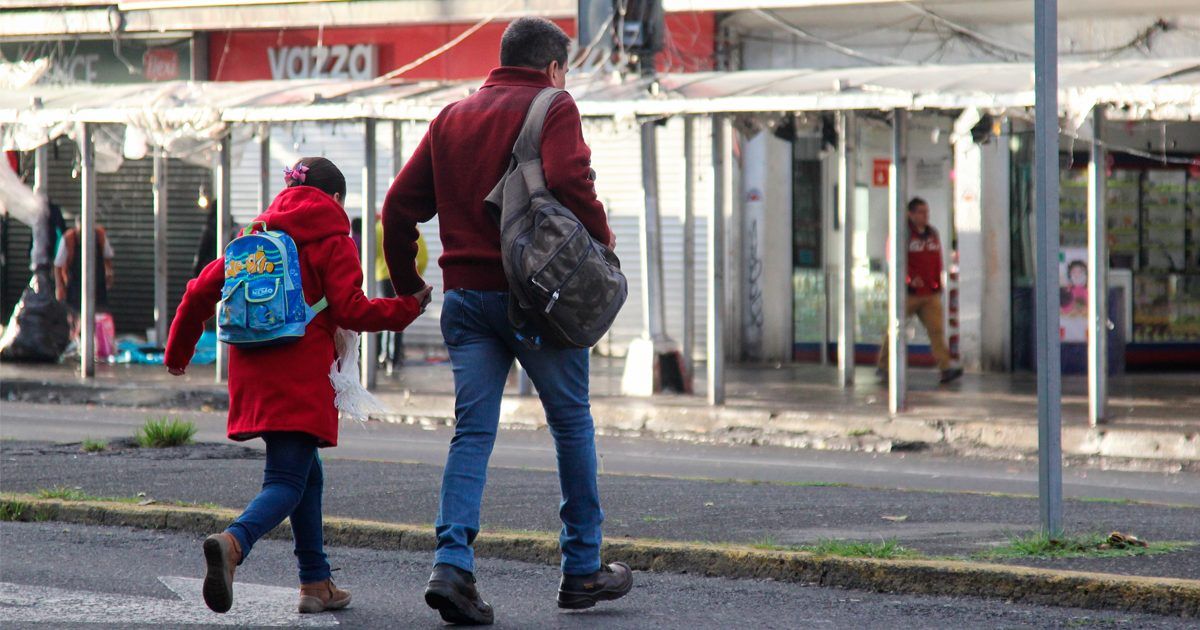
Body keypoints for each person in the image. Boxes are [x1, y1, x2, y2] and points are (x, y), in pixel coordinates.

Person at [382, 17, 628, 625]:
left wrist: (410, 284)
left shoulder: (451, 116)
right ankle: (581, 570)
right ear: (552, 68)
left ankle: (452, 565)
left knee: (473, 432)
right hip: (537, 298)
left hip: (466, 301)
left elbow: (397, 207)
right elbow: (570, 178)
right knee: (571, 425)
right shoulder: (554, 105)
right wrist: (602, 239)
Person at [165, 157, 430, 615]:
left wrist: (177, 355)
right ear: (337, 199)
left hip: (253, 372)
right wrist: (407, 307)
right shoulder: (333, 239)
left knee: (307, 473)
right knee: (286, 480)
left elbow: (197, 292)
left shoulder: (254, 239)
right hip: (302, 374)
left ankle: (315, 583)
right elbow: (352, 311)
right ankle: (233, 542)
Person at [877, 197, 963, 384]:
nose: (926, 216)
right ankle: (884, 366)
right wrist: (908, 279)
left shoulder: (932, 234)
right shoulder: (901, 233)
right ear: (911, 214)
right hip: (908, 294)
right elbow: (894, 261)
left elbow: (936, 259)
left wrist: (937, 283)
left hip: (930, 293)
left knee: (936, 331)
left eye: (927, 212)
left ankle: (945, 367)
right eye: (921, 212)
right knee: (896, 328)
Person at [375, 219, 427, 371]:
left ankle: (382, 355)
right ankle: (394, 359)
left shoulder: (377, 227)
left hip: (381, 277)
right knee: (400, 314)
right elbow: (423, 257)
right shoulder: (409, 226)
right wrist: (416, 278)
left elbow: (371, 253)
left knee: (384, 313)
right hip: (401, 277)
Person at [54, 218, 114, 329]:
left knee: (99, 317)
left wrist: (109, 274)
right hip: (75, 286)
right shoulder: (69, 239)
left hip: (98, 285)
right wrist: (59, 286)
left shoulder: (100, 235)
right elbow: (58, 265)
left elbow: (108, 257)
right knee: (76, 319)